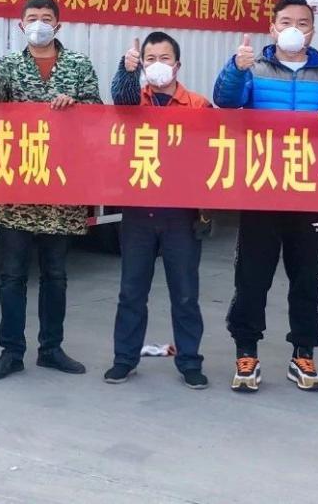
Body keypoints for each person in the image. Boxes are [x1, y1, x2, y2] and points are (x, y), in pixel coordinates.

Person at [212, 0, 318, 393]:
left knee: (307, 277)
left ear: (312, 31)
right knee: (252, 275)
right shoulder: (252, 68)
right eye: (286, 22)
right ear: (272, 29)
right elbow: (225, 101)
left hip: (309, 189)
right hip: (262, 187)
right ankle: (246, 352)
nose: (294, 29)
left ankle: (303, 353)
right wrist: (235, 68)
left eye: (302, 23)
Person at [0, 0, 102, 382]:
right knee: (12, 275)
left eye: (46, 18)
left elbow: (97, 111)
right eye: (32, 18)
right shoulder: (7, 65)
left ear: (58, 25)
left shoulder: (78, 64)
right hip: (17, 184)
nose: (39, 24)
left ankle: (51, 349)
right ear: (21, 25)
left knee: (56, 274)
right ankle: (11, 352)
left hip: (61, 186)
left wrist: (74, 103)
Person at [104, 31, 211, 390]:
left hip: (182, 215)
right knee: (131, 292)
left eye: (164, 59)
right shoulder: (134, 100)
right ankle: (124, 360)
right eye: (150, 59)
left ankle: (190, 361)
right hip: (138, 212)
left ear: (177, 65)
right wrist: (127, 69)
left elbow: (214, 149)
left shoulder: (197, 105)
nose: (157, 65)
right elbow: (120, 95)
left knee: (186, 293)